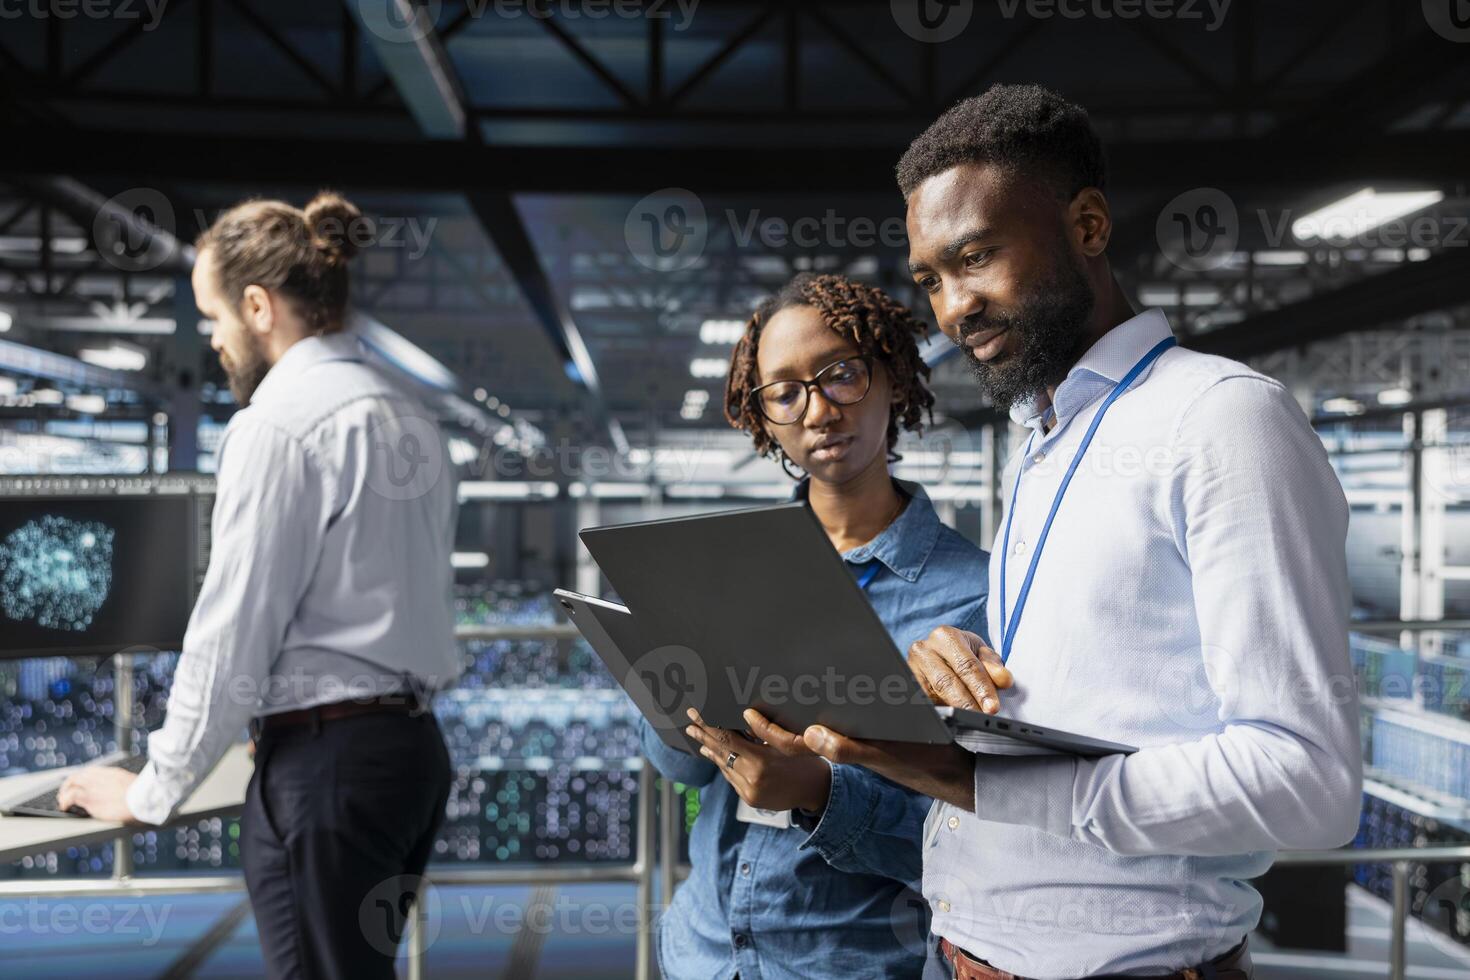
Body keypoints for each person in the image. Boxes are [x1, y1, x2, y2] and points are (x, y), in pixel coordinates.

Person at [799, 84, 1363, 979]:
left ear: (1089, 226)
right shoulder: (1048, 435)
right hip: (966, 956)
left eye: (976, 256)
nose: (952, 309)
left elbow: (1309, 784)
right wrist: (965, 671)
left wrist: (974, 780)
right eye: (931, 280)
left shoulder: (1222, 422)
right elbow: (1113, 683)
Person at [59, 192, 463, 979]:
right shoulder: (410, 415)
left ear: (258, 305)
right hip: (410, 757)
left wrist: (153, 788)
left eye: (215, 316)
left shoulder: (279, 423)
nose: (213, 339)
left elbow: (233, 626)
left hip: (328, 768)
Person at [642, 272, 997, 979]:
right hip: (706, 954)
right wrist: (658, 674)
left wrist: (819, 793)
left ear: (892, 378)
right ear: (763, 416)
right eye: (785, 391)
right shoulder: (724, 568)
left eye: (840, 376)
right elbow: (678, 766)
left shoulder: (980, 594)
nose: (818, 410)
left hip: (856, 961)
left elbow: (984, 827)